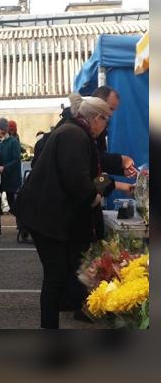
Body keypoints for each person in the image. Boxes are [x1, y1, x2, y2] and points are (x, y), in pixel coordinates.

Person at [15, 94, 135, 329]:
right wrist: (103, 186)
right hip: (46, 218)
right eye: (106, 120)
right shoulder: (74, 135)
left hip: (47, 215)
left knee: (57, 275)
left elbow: (88, 176)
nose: (106, 127)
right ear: (97, 118)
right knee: (55, 277)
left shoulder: (73, 131)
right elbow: (81, 184)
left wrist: (108, 181)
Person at [32, 86, 138, 178]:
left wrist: (120, 169)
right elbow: (82, 172)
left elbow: (95, 162)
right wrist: (119, 162)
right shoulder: (73, 131)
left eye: (113, 110)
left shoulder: (83, 128)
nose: (110, 115)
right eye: (109, 109)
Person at [0, 118, 22, 238]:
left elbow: (16, 160)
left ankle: (25, 224)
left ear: (4, 129)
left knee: (12, 204)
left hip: (11, 178)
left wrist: (5, 168)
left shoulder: (13, 142)